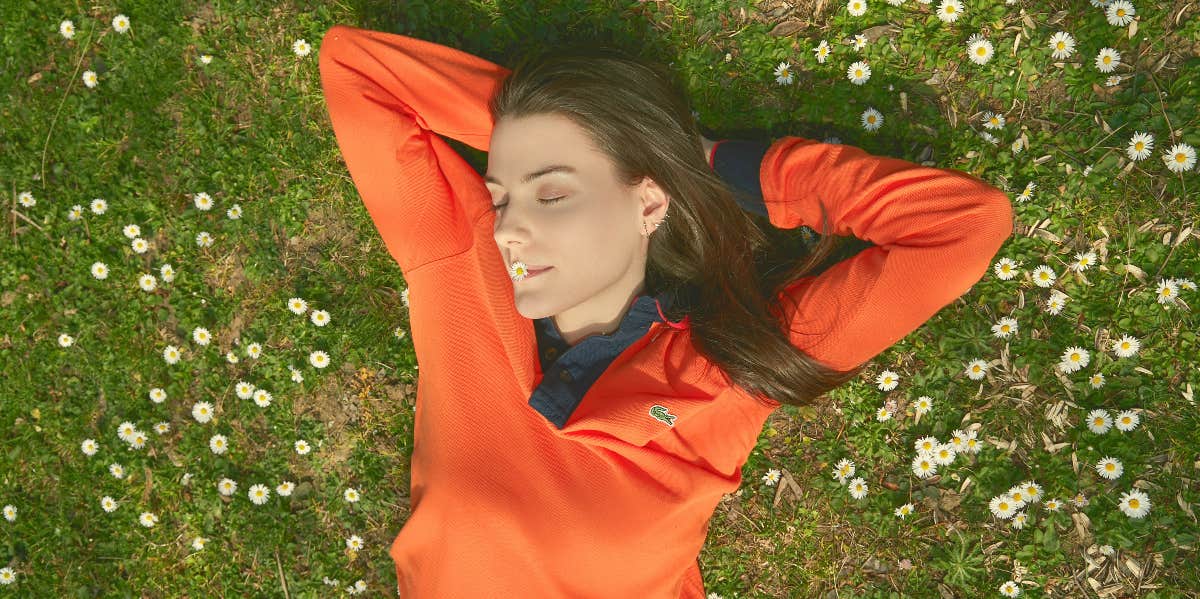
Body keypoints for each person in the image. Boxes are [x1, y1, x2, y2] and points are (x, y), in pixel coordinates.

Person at [318, 23, 1013, 598]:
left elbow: (356, 73)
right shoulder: (725, 372)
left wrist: (656, 155)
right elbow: (960, 231)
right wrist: (674, 158)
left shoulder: (473, 272)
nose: (508, 225)